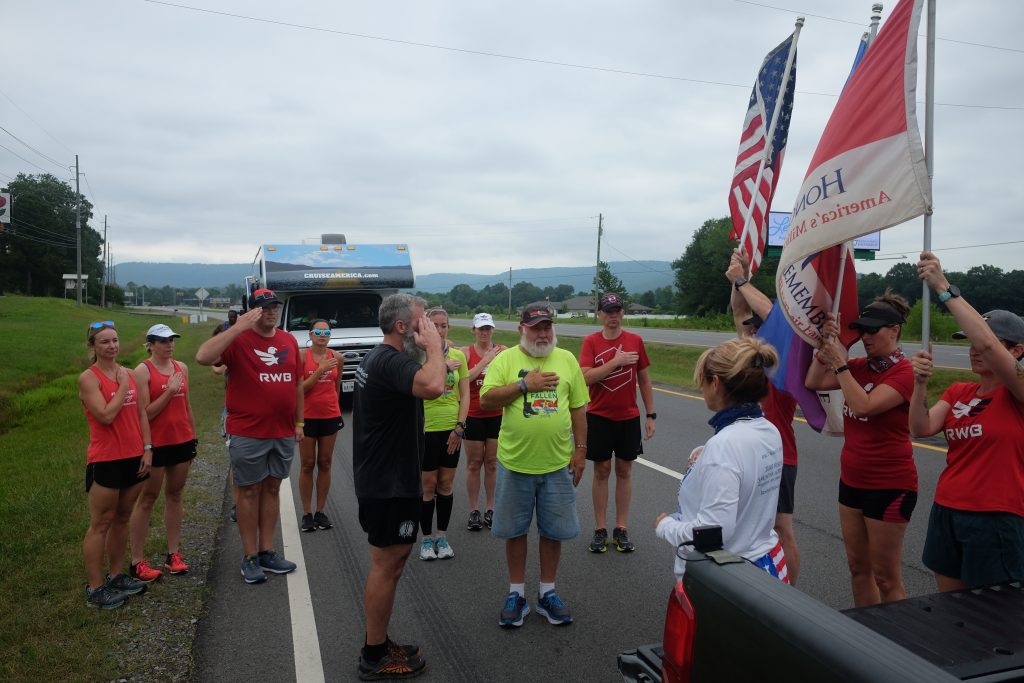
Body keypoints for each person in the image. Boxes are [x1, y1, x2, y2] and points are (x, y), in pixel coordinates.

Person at [910, 251, 1024, 590]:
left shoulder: (1017, 392)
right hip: (947, 509)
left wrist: (943, 288)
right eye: (968, 343)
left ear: (1017, 350)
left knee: (991, 614)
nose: (973, 349)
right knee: (950, 609)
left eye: (977, 341)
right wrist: (920, 385)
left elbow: (987, 345)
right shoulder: (960, 391)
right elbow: (920, 428)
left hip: (997, 518)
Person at [352, 293, 445, 679]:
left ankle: (378, 641)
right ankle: (374, 655)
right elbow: (435, 385)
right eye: (423, 322)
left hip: (386, 479)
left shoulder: (383, 358)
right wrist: (434, 347)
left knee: (392, 562)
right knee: (386, 565)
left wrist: (431, 351)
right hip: (387, 484)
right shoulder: (390, 361)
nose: (428, 329)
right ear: (402, 326)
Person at [480, 302, 588, 628]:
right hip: (515, 464)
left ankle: (547, 592)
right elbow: (486, 399)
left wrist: (580, 450)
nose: (542, 334)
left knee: (553, 532)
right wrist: (525, 385)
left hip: (556, 465)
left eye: (547, 327)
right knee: (515, 532)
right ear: (521, 330)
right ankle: (516, 594)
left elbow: (579, 409)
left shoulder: (567, 359)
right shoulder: (506, 359)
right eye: (535, 328)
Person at [806, 290, 916, 606]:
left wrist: (840, 365)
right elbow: (814, 382)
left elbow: (863, 405)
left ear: (894, 330)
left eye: (872, 330)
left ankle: (896, 635)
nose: (865, 337)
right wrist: (824, 349)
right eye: (861, 330)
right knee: (858, 568)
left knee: (886, 577)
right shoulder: (858, 366)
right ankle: (866, 631)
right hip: (852, 481)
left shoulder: (904, 372)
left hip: (889, 485)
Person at [655, 337, 787, 582]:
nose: (700, 389)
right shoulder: (768, 430)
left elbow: (713, 532)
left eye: (703, 381)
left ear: (715, 383)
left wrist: (666, 526)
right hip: (767, 565)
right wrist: (706, 452)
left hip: (727, 578)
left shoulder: (725, 445)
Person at [196, 288, 302, 585]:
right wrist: (237, 328)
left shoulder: (288, 341)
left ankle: (267, 551)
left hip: (282, 430)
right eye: (264, 308)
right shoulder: (238, 340)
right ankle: (249, 556)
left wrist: (299, 422)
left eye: (274, 307)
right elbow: (203, 357)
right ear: (252, 311)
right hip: (248, 431)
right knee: (249, 491)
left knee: (272, 488)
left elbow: (296, 384)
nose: (271, 312)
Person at [726, 251, 802, 584]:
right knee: (744, 526)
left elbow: (772, 317)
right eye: (751, 329)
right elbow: (741, 311)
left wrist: (742, 280)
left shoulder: (782, 359)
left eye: (758, 328)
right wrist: (739, 276)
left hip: (778, 454)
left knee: (781, 528)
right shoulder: (748, 358)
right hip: (745, 455)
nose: (752, 331)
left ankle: (791, 595)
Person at [78, 321, 152, 608]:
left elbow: (142, 414)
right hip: (106, 459)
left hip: (134, 456)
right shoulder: (89, 378)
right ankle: (95, 588)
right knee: (101, 523)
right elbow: (106, 416)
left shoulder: (129, 373)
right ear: (93, 346)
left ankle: (117, 574)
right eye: (105, 341)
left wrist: (148, 449)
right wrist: (122, 386)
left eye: (115, 340)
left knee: (122, 517)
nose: (112, 346)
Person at [579, 293, 655, 554]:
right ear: (599, 314)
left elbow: (644, 380)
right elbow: (586, 378)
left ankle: (621, 528)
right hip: (599, 416)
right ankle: (600, 528)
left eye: (617, 311)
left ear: (623, 313)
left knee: (625, 470)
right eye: (608, 311)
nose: (613, 316)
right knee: (601, 471)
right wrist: (616, 362)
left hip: (628, 417)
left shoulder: (635, 341)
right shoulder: (591, 342)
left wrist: (651, 415)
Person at [128, 324, 198, 583]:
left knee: (175, 495)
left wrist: (193, 437)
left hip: (181, 440)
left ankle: (173, 554)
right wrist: (169, 391)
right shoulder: (142, 371)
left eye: (172, 340)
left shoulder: (182, 368)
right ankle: (137, 560)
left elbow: (187, 407)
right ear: (151, 345)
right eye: (163, 341)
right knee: (147, 498)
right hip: (155, 444)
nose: (169, 345)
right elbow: (145, 414)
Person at [419, 308, 470, 561]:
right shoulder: (418, 357)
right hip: (426, 429)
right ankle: (426, 540)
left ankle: (442, 536)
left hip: (451, 429)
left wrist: (460, 427)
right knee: (428, 485)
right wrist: (442, 367)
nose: (440, 331)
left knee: (446, 484)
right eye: (434, 326)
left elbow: (466, 395)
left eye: (444, 325)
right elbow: (418, 388)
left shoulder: (459, 355)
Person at [461, 312, 506, 531]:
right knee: (473, 463)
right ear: (474, 330)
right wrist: (485, 361)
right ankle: (473, 510)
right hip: (473, 415)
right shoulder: (466, 353)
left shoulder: (503, 351)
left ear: (493, 330)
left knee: (492, 463)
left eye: (488, 328)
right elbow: (464, 379)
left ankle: (490, 509)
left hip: (497, 414)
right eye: (481, 329)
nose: (485, 332)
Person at [299, 319, 343, 533]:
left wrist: (336, 410)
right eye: (318, 332)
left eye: (326, 332)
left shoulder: (337, 357)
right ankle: (307, 513)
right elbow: (299, 389)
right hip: (307, 416)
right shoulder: (301, 356)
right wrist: (320, 370)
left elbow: (336, 387)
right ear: (310, 335)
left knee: (325, 462)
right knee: (307, 464)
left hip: (329, 415)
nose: (322, 335)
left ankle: (320, 511)